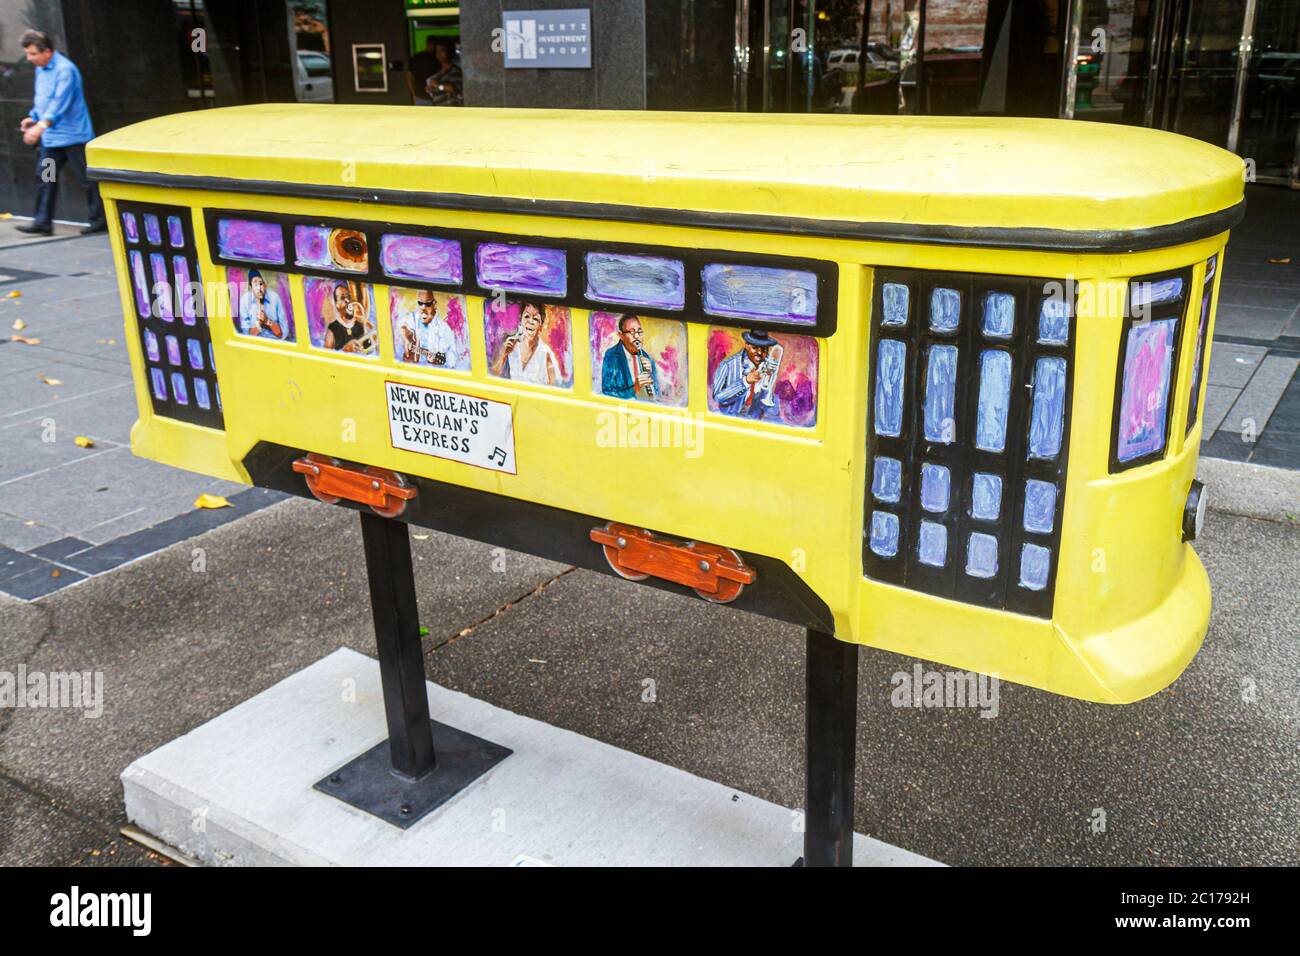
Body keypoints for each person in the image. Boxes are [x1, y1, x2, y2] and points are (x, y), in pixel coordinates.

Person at [16, 30, 105, 236]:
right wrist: (33, 117)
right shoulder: (42, 69)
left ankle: (99, 220)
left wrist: (41, 126)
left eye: (32, 54)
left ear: (47, 51)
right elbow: (43, 99)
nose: (29, 58)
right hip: (52, 141)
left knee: (86, 179)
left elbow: (59, 103)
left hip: (74, 138)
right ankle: (43, 222)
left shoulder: (66, 70)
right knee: (47, 178)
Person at [710, 329, 782, 421]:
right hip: (730, 419)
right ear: (747, 346)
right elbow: (718, 398)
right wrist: (744, 382)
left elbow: (767, 403)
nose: (759, 353)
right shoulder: (728, 365)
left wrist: (768, 384)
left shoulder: (768, 366)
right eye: (755, 348)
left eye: (764, 349)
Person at [490, 301, 560, 386]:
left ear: (541, 325)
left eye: (535, 319)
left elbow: (555, 386)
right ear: (521, 320)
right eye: (527, 316)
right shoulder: (512, 345)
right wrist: (504, 354)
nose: (530, 322)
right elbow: (493, 374)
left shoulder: (545, 353)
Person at [601, 315, 660, 401]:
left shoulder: (646, 358)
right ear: (621, 335)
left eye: (640, 332)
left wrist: (650, 376)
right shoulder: (612, 356)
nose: (637, 336)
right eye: (632, 332)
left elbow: (656, 395)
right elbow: (607, 393)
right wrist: (633, 389)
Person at [395, 290, 459, 367]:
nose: (423, 308)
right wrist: (405, 332)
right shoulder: (412, 318)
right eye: (420, 303)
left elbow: (452, 360)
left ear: (434, 304)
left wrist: (439, 362)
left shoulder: (444, 329)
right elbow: (399, 326)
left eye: (428, 304)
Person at [323, 282, 375, 354]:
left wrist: (366, 323)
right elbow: (326, 356)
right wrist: (344, 350)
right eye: (342, 298)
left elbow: (371, 350)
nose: (347, 300)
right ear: (337, 304)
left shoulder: (360, 324)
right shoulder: (333, 327)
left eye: (348, 297)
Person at [237, 270, 289, 340]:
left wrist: (267, 321)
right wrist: (259, 322)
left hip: (274, 343)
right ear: (251, 286)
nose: (259, 288)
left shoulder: (275, 298)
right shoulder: (245, 300)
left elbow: (283, 333)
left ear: (265, 285)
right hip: (255, 344)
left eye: (261, 283)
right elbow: (247, 335)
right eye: (255, 284)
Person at [426, 42, 462, 107]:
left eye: (442, 50)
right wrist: (431, 89)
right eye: (437, 51)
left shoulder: (454, 70)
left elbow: (456, 88)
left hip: (450, 110)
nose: (439, 54)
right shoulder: (438, 72)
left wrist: (438, 86)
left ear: (448, 52)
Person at [406, 36, 440, 106]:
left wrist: (413, 93)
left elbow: (409, 76)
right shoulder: (437, 57)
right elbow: (409, 76)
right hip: (435, 96)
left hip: (420, 95)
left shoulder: (416, 57)